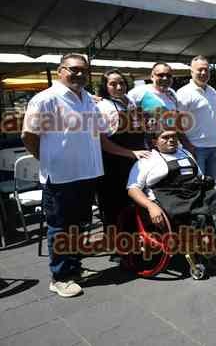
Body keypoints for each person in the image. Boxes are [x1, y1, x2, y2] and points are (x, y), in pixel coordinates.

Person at [22, 54, 142, 298]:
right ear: (60, 71)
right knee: (60, 228)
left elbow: (101, 134)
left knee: (78, 226)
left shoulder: (87, 99)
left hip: (88, 174)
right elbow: (28, 135)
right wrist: (48, 160)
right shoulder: (45, 99)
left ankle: (74, 268)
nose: (79, 74)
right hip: (61, 177)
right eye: (73, 69)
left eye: (83, 71)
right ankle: (60, 277)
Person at [126, 128, 216, 242]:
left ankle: (213, 225)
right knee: (189, 211)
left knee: (215, 194)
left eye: (173, 136)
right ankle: (202, 231)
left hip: (192, 193)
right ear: (155, 142)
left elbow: (199, 176)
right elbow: (133, 188)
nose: (171, 140)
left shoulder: (185, 153)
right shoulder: (146, 161)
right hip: (169, 198)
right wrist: (151, 206)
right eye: (165, 137)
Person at [96, 70, 149, 245]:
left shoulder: (130, 102)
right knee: (115, 206)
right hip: (114, 164)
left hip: (134, 161)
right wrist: (131, 153)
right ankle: (118, 247)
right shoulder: (103, 107)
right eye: (113, 84)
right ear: (105, 87)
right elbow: (102, 141)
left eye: (122, 83)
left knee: (133, 202)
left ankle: (134, 241)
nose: (119, 87)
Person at [128, 62, 194, 152]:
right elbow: (126, 114)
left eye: (168, 76)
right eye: (160, 75)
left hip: (168, 146)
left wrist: (186, 144)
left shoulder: (172, 93)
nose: (165, 78)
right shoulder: (138, 92)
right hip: (146, 147)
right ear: (152, 76)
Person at [176, 56, 216, 181]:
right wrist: (187, 145)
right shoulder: (183, 93)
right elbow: (177, 121)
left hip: (214, 146)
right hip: (196, 147)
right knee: (197, 184)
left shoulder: (212, 91)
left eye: (206, 70)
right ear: (191, 72)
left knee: (211, 185)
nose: (203, 73)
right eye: (200, 70)